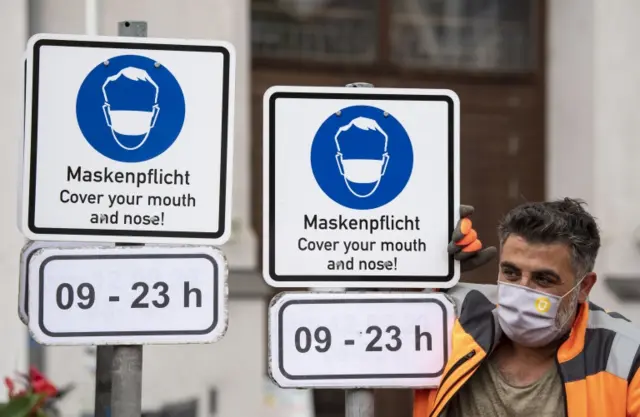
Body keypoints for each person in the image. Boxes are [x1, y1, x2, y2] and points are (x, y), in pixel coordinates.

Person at [413, 198, 640, 417]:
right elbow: (386, 317)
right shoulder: (454, 316)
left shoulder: (626, 355)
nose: (522, 290)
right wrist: (424, 259)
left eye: (543, 279)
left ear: (584, 287)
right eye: (511, 273)